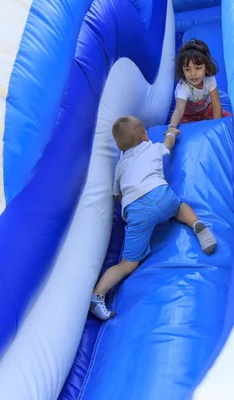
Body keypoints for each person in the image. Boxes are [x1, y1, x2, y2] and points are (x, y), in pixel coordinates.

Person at [90, 115, 217, 321]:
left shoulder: (120, 166)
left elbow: (118, 195)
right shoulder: (151, 147)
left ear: (120, 147)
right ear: (145, 135)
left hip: (136, 210)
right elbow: (168, 144)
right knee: (179, 208)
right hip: (160, 194)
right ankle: (198, 226)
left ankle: (98, 295)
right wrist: (171, 132)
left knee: (128, 264)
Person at [169, 39, 232, 127]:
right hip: (188, 116)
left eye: (198, 68)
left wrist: (216, 126)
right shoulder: (183, 87)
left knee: (231, 121)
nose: (193, 74)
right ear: (182, 70)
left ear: (206, 67)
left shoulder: (209, 79)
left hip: (206, 110)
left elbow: (216, 104)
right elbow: (179, 109)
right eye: (187, 69)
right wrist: (172, 127)